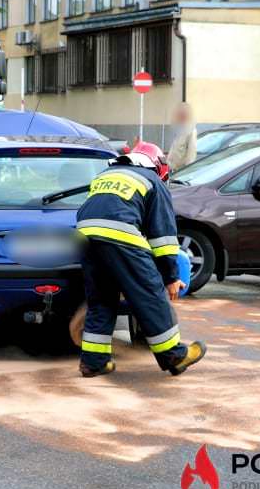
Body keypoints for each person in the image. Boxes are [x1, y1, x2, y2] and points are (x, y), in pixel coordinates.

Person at [75, 141, 207, 378]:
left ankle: (93, 362)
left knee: (102, 300)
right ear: (157, 165)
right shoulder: (153, 181)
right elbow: (163, 238)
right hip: (119, 237)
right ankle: (174, 357)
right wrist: (171, 277)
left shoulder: (106, 175)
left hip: (85, 237)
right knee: (150, 296)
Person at [167, 103, 197, 171]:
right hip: (172, 169)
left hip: (181, 171)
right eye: (179, 113)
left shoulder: (191, 130)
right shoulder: (179, 129)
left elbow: (191, 155)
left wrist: (186, 171)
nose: (180, 115)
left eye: (183, 113)